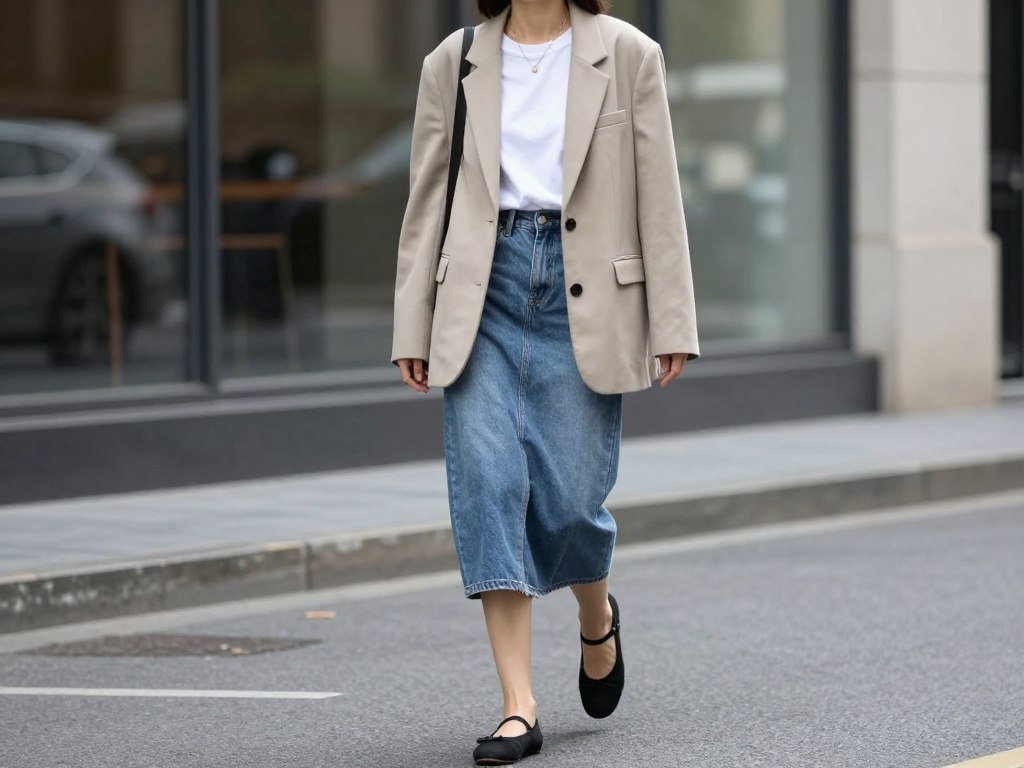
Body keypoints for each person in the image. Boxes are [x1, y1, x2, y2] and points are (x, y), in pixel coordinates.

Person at [390, 0, 699, 762]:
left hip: (584, 289)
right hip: (481, 292)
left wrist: (673, 319)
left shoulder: (628, 52)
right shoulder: (451, 61)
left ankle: (597, 618)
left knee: (568, 504)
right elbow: (427, 197)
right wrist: (411, 321)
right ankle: (518, 707)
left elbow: (657, 191)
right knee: (490, 484)